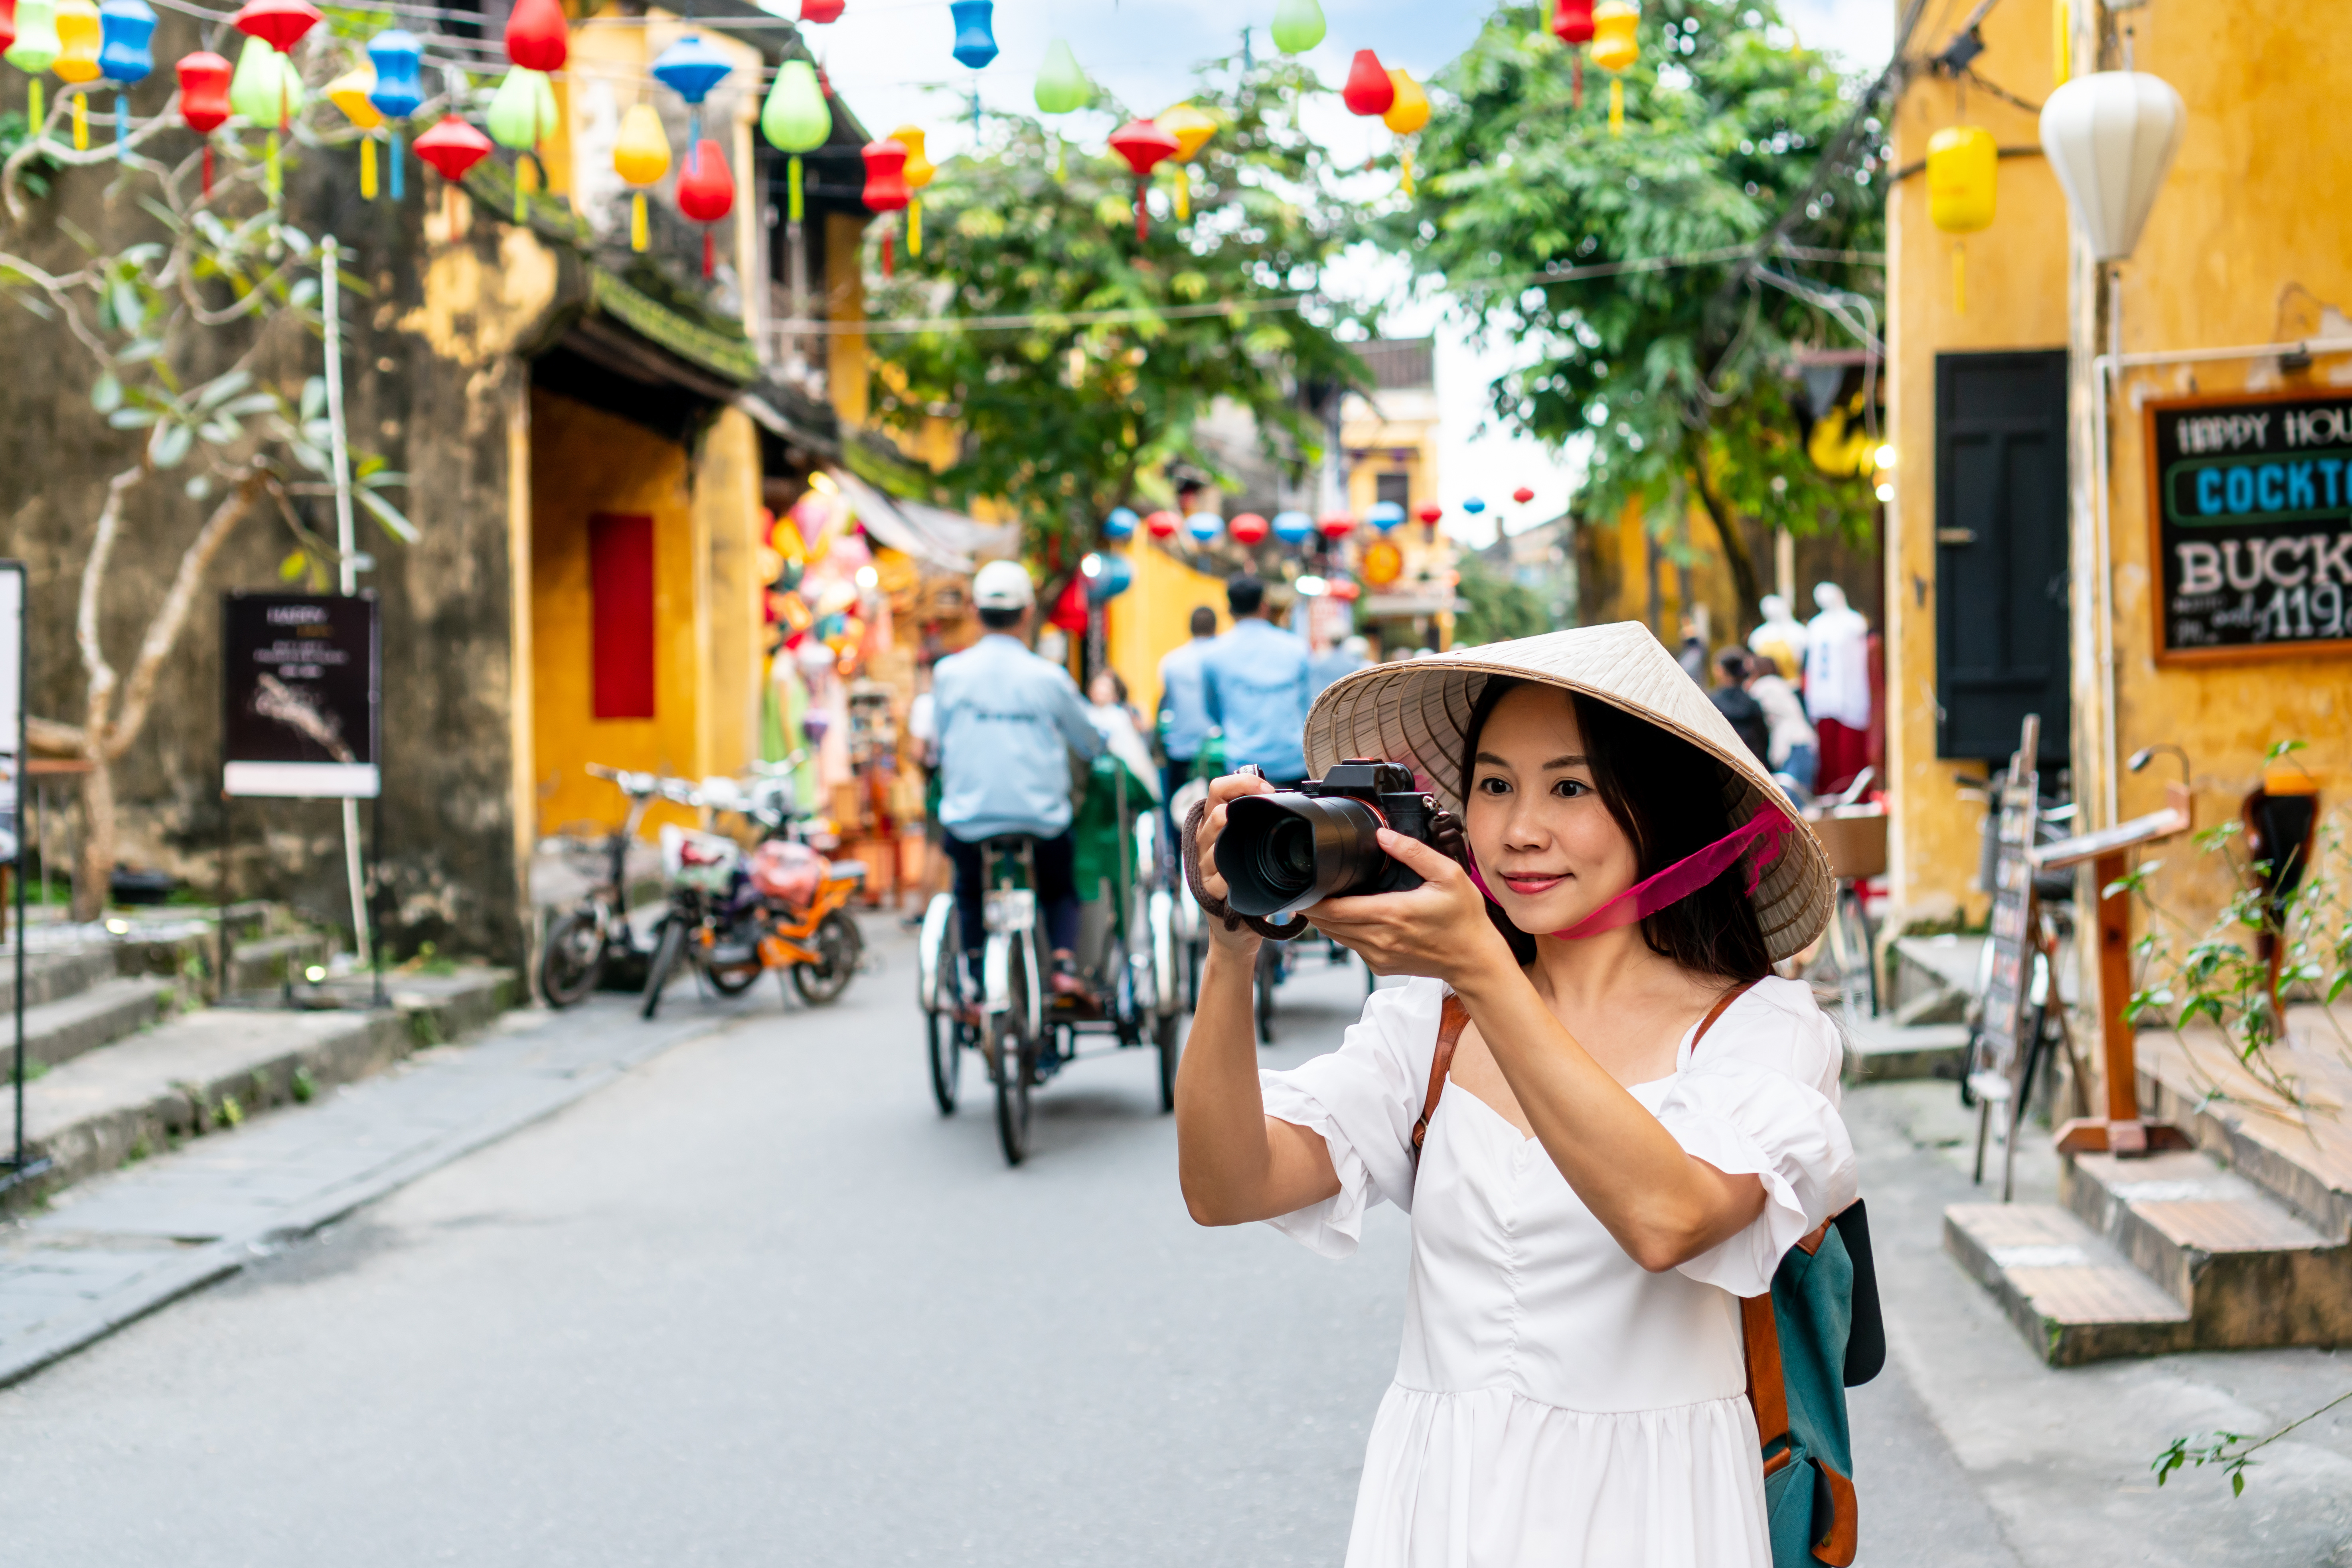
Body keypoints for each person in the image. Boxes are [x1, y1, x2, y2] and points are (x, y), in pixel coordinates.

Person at [1175, 622, 1853, 1568]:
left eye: (1569, 787)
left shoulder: (1760, 1028)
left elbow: (1670, 1218)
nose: (1519, 829)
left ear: (1654, 810)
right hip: (1442, 1502)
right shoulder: (1433, 1024)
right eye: (1495, 784)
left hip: (1654, 1519)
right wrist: (1231, 948)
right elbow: (1228, 1187)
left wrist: (1483, 970)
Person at [930, 560, 1105, 999]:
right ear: (1027, 613)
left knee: (969, 890)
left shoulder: (948, 675)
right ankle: (1063, 961)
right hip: (1040, 820)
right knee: (1059, 886)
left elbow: (936, 743)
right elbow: (1090, 743)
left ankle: (973, 975)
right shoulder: (1049, 677)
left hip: (969, 819)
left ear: (974, 611)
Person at [1200, 575, 1312, 784]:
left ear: (1230, 610)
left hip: (1243, 769)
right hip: (1294, 762)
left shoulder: (1213, 655)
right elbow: (1308, 708)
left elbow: (1212, 710)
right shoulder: (1297, 649)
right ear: (1264, 607)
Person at [1803, 583, 1872, 796]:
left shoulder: (1854, 623)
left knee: (1849, 751)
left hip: (1849, 693)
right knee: (1827, 753)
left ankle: (1855, 795)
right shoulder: (1815, 626)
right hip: (1824, 697)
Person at [1156, 606, 1219, 803]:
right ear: (1215, 627)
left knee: (1180, 813)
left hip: (1180, 749)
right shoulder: (1223, 658)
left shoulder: (1172, 661)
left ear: (1190, 628)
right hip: (1218, 751)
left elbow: (1166, 703)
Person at [1745, 652, 1818, 800]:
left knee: (1791, 804)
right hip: (1804, 744)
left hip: (1793, 747)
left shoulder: (1765, 686)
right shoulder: (1781, 685)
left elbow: (1747, 702)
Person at [1708, 648, 1770, 764]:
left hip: (1725, 761)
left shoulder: (1712, 702)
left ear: (1720, 671)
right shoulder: (1752, 702)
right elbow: (1763, 738)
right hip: (1753, 763)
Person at [1309, 632, 1372, 701]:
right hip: (1345, 703)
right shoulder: (1352, 665)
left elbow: (1315, 688)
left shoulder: (1320, 664)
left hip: (1324, 704)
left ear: (1329, 642)